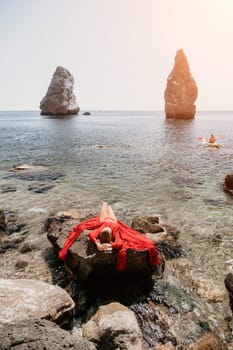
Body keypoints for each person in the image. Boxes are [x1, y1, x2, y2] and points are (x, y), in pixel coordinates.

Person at [58, 202, 161, 271]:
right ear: (110, 234)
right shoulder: (114, 229)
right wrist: (110, 244)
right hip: (112, 221)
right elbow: (119, 243)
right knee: (108, 206)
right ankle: (107, 203)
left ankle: (106, 202)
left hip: (105, 220)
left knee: (105, 205)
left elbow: (91, 235)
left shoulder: (100, 230)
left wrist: (98, 244)